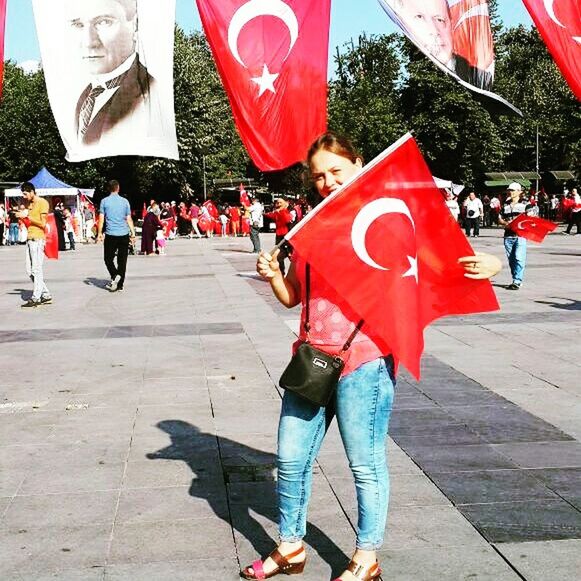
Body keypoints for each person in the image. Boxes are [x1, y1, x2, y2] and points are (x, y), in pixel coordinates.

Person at [249, 132, 501, 581]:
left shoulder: (383, 221)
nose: (326, 182)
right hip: (312, 359)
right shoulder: (310, 227)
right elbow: (293, 296)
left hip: (365, 361)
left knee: (364, 464)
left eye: (336, 171)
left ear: (359, 165)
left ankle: (366, 557)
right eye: (319, 175)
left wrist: (489, 263)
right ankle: (290, 546)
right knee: (289, 457)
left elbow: (438, 257)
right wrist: (273, 275)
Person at [66, 0, 162, 149]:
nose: (89, 42)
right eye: (78, 25)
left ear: (135, 26)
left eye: (104, 22)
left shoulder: (151, 94)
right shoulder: (81, 100)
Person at [388, 0, 493, 90]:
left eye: (440, 20)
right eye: (419, 17)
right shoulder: (415, 78)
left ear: (451, 24)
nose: (434, 30)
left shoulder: (480, 76)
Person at [18, 183, 53, 308]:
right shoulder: (31, 204)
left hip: (38, 239)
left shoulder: (42, 203)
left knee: (36, 269)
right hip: (30, 238)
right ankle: (46, 294)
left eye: (25, 193)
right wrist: (22, 218)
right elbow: (31, 222)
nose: (24, 196)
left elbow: (43, 223)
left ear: (32, 191)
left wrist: (27, 216)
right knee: (29, 270)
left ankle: (36, 297)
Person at [97, 179, 135, 292]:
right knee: (122, 260)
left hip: (111, 234)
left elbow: (101, 219)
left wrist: (99, 233)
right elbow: (128, 218)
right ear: (118, 188)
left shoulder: (104, 201)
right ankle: (120, 284)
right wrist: (132, 233)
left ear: (109, 188)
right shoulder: (125, 201)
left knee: (108, 258)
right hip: (124, 234)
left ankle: (114, 275)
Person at [498, 182, 532, 290]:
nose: (510, 192)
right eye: (509, 190)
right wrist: (505, 224)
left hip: (520, 235)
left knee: (519, 257)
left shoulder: (526, 204)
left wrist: (521, 224)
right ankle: (515, 278)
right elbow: (499, 218)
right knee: (511, 259)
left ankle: (517, 280)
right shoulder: (505, 204)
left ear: (519, 192)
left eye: (513, 190)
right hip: (508, 235)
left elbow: (531, 218)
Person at [264, 198, 293, 275]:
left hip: (286, 237)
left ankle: (297, 273)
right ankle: (282, 273)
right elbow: (272, 216)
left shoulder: (286, 212)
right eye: (277, 203)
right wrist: (264, 214)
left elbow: (287, 219)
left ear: (285, 204)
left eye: (280, 203)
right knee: (279, 257)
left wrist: (281, 211)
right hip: (279, 237)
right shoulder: (277, 212)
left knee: (291, 256)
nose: (278, 204)